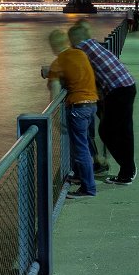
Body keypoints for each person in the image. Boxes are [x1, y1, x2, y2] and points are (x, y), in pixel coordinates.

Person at [69, 23, 138, 185]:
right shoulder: (94, 45)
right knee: (125, 130)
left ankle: (128, 168)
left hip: (117, 90)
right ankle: (127, 171)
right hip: (128, 83)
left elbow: (73, 70)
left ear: (75, 38)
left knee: (106, 131)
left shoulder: (80, 50)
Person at [47, 29, 98, 198]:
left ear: (54, 46)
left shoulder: (57, 63)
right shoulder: (80, 54)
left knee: (80, 148)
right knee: (85, 143)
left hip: (77, 107)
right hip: (92, 104)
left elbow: (54, 93)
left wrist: (53, 120)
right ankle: (80, 175)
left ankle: (88, 188)